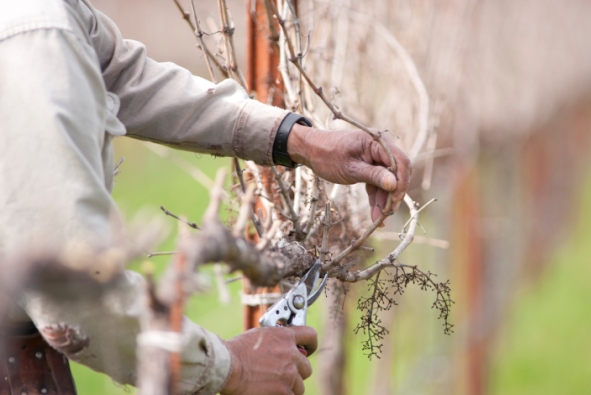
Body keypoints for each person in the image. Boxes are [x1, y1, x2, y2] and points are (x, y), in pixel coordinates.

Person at [0, 0, 410, 394]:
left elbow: (125, 79)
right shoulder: (36, 29)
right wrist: (230, 366)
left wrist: (299, 138)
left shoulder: (49, 17)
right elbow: (72, 296)